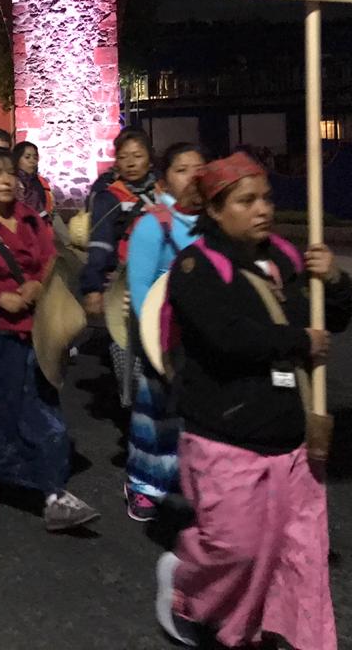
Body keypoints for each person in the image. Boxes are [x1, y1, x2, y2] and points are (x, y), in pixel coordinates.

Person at [155, 152, 352, 650]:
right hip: (226, 434)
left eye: (265, 198)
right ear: (216, 211)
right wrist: (297, 342)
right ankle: (185, 587)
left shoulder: (288, 257)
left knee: (299, 553)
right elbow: (227, 337)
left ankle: (289, 633)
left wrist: (333, 280)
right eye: (247, 201)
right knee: (237, 549)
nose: (262, 208)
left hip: (293, 437)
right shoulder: (197, 267)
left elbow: (336, 317)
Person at [0, 144, 99, 532]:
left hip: (30, 335)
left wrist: (35, 285)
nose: (7, 180)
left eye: (10, 172)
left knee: (42, 415)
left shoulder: (31, 220)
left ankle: (53, 493)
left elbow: (51, 259)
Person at [122, 143, 205, 522]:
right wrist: (159, 346)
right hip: (164, 336)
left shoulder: (216, 223)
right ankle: (143, 484)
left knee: (198, 416)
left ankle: (190, 482)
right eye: (182, 169)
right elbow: (142, 292)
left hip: (204, 337)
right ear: (165, 179)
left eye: (198, 169)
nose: (192, 177)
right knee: (155, 414)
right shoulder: (154, 224)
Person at [80, 128, 159, 407]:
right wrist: (93, 288)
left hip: (162, 287)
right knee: (130, 354)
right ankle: (136, 415)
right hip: (124, 289)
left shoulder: (164, 193)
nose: (131, 162)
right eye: (124, 156)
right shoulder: (109, 199)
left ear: (150, 159)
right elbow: (99, 244)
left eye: (138, 155)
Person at [13, 140, 54, 220]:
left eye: (35, 158)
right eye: (27, 157)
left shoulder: (41, 181)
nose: (32, 161)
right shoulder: (14, 182)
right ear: (17, 159)